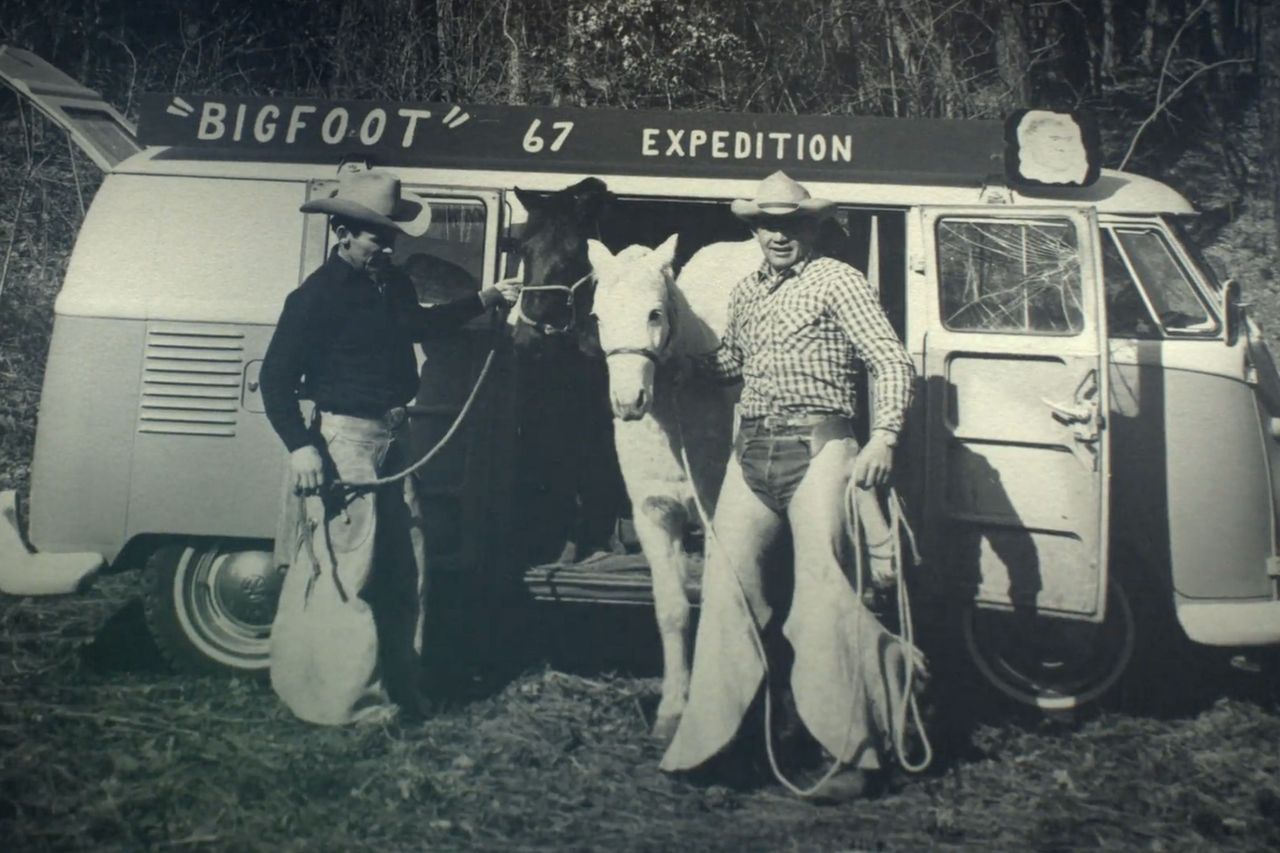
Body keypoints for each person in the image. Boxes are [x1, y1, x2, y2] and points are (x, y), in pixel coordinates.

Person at [660, 171, 917, 801]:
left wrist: (883, 437)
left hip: (822, 447)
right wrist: (675, 359)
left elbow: (890, 358)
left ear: (812, 226)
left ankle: (853, 756)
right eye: (765, 224)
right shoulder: (748, 292)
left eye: (789, 224)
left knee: (825, 597)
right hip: (752, 451)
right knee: (725, 590)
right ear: (754, 230)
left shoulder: (840, 281)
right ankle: (715, 745)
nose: (777, 234)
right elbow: (734, 363)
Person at [260, 168, 518, 725]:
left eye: (391, 236)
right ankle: (345, 699)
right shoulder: (314, 297)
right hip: (343, 442)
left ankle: (402, 687)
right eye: (376, 236)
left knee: (407, 568)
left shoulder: (392, 286)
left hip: (393, 439)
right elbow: (275, 381)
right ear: (342, 232)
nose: (387, 246)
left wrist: (485, 298)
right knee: (348, 570)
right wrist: (302, 448)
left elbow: (421, 326)